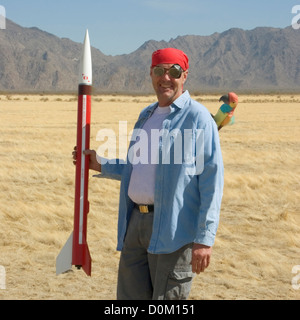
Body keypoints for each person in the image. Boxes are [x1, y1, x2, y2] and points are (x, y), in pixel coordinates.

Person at [73, 48, 224, 300]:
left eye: (173, 71)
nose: (165, 77)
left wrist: (205, 239)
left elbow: (211, 180)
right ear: (151, 75)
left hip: (174, 230)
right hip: (135, 225)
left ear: (184, 75)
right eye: (159, 71)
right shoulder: (146, 116)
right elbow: (137, 167)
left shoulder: (198, 118)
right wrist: (101, 164)